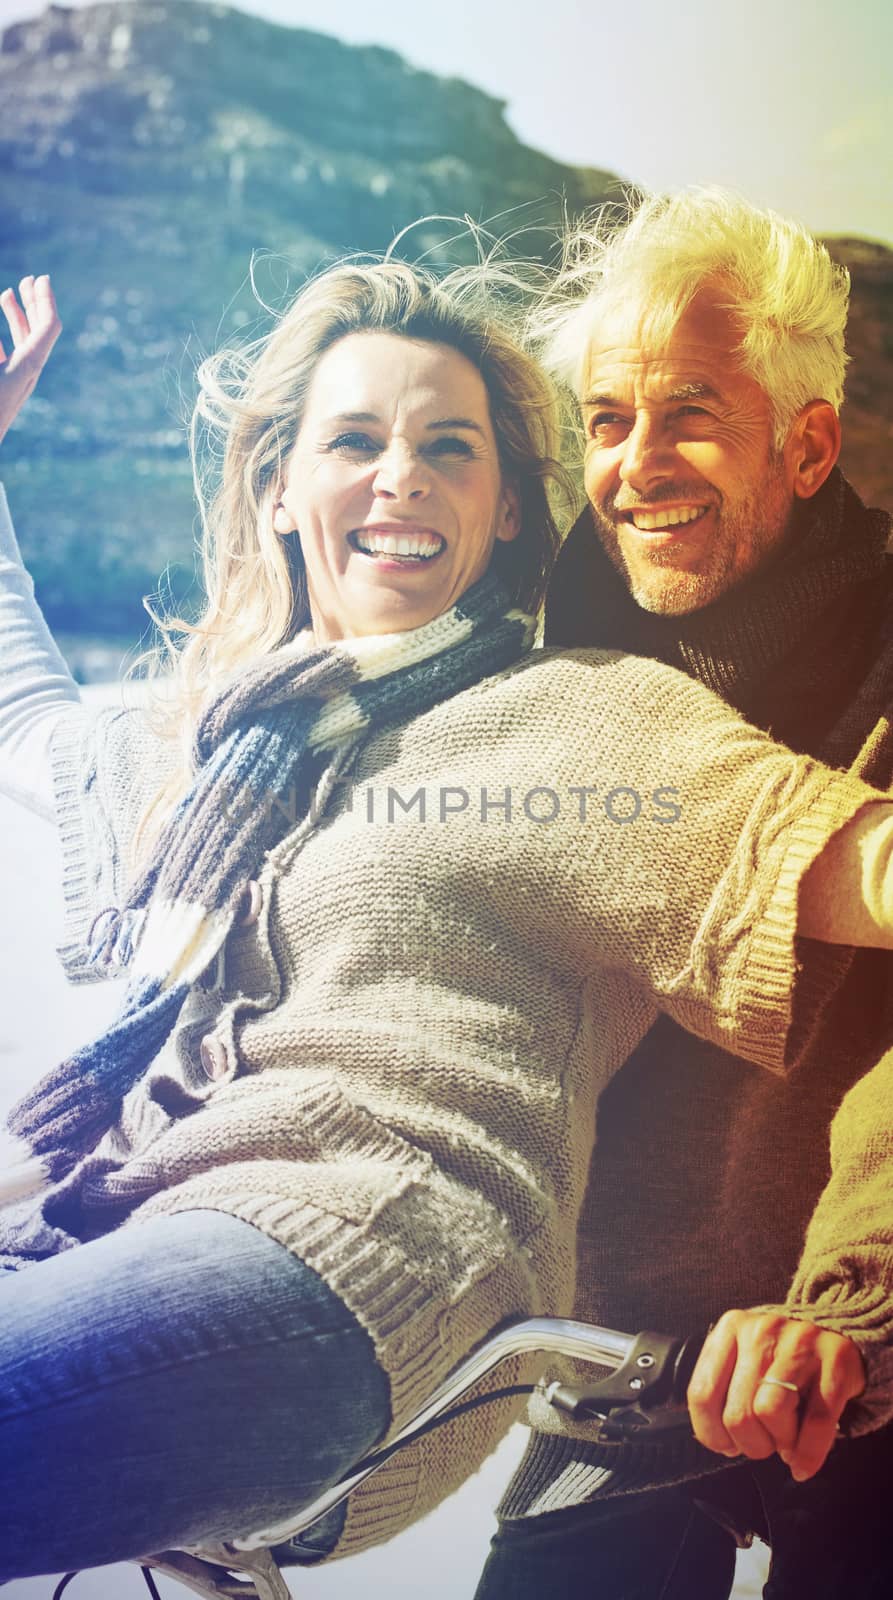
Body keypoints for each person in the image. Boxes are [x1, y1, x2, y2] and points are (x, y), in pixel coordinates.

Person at [0, 258, 892, 1585]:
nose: (400, 475)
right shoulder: (192, 742)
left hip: (361, 1267)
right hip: (124, 1214)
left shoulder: (578, 719)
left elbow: (854, 866)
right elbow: (27, 707)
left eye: (449, 448)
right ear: (279, 490)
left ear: (505, 515)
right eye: (354, 440)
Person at [474, 189, 893, 1599]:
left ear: (808, 444)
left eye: (688, 416)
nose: (633, 466)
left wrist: (851, 1308)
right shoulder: (545, 659)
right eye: (605, 419)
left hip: (845, 1347)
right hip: (618, 1351)